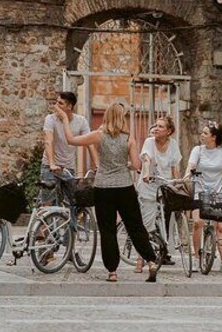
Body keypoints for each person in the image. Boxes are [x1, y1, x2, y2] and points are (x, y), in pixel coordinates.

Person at [54, 102, 159, 283]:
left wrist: (64, 119)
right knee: (135, 226)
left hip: (103, 188)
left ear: (107, 116)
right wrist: (123, 165)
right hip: (125, 187)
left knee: (108, 230)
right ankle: (150, 261)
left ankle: (112, 271)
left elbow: (71, 140)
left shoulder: (98, 135)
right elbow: (136, 165)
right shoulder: (129, 138)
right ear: (122, 117)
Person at [136, 116, 182, 273]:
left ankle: (165, 250)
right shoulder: (149, 142)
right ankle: (141, 258)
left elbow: (175, 167)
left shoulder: (173, 145)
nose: (156, 128)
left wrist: (178, 182)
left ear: (169, 131)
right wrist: (146, 174)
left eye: (160, 126)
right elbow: (146, 159)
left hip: (165, 185)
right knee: (147, 223)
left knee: (168, 219)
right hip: (149, 185)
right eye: (155, 125)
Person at [187, 121, 222, 266]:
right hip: (200, 190)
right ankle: (196, 257)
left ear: (214, 137)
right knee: (197, 223)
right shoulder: (198, 150)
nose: (202, 134)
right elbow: (191, 166)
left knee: (221, 227)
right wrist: (186, 179)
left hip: (218, 191)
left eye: (205, 133)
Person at [41, 92, 95, 205]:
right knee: (48, 203)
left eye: (60, 103)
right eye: (56, 102)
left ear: (69, 107)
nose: (56, 106)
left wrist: (97, 164)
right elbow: (48, 141)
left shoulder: (80, 121)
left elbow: (90, 143)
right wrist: (51, 163)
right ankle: (44, 221)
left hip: (68, 167)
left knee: (71, 202)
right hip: (50, 166)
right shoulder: (50, 119)